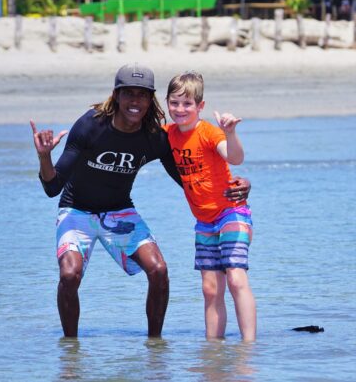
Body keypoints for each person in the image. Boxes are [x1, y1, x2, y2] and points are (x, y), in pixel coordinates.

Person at [30, 63, 251, 338]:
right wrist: (44, 157)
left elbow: (189, 179)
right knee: (69, 274)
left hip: (119, 212)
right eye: (129, 94)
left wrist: (237, 185)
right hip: (76, 209)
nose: (135, 101)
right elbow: (53, 187)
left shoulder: (154, 137)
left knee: (158, 270)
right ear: (117, 95)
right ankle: (71, 352)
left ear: (151, 99)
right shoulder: (91, 125)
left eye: (143, 95)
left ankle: (155, 349)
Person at [165, 71, 256, 341]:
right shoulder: (168, 134)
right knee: (210, 289)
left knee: (236, 278)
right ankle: (213, 348)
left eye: (187, 104)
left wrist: (230, 133)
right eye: (174, 103)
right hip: (204, 221)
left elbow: (235, 158)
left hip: (232, 212)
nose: (180, 109)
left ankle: (248, 349)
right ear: (167, 103)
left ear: (200, 106)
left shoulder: (208, 132)